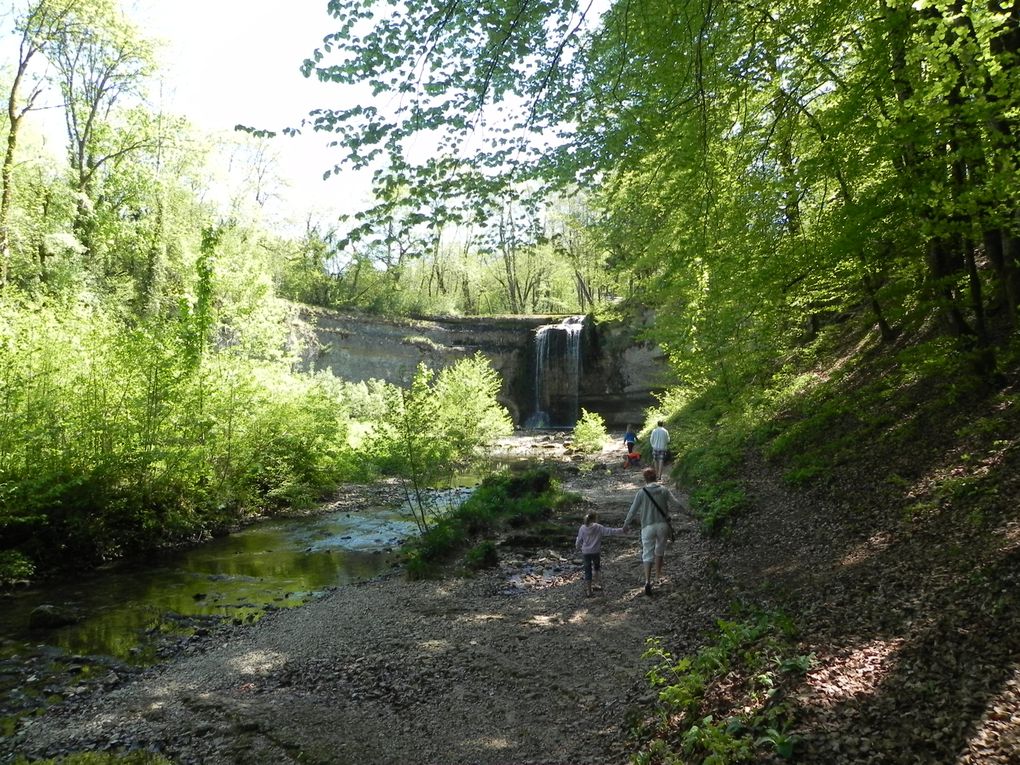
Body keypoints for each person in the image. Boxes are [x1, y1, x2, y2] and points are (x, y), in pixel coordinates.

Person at [623, 467, 688, 596]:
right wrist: (687, 512)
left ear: (645, 479)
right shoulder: (664, 490)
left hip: (647, 526)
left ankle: (647, 581)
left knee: (647, 553)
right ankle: (658, 575)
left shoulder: (641, 492)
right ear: (655, 478)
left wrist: (626, 524)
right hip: (663, 525)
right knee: (660, 550)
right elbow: (676, 504)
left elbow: (633, 510)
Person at [575, 511, 626, 597]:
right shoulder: (598, 527)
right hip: (595, 552)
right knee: (596, 568)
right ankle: (596, 584)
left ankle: (589, 590)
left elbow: (579, 539)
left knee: (587, 571)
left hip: (586, 552)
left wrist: (577, 546)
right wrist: (622, 530)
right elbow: (610, 531)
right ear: (595, 518)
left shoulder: (582, 528)